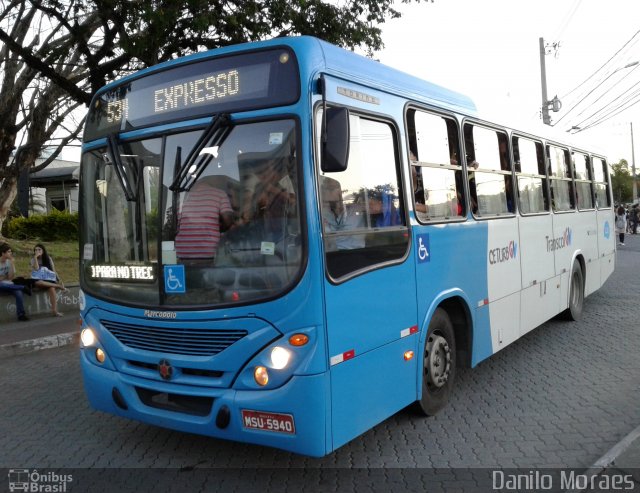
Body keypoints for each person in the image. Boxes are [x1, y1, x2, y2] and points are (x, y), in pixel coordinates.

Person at [175, 176, 234, 262]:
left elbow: (175, 224)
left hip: (182, 255)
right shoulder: (219, 193)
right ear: (214, 179)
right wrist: (219, 227)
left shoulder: (182, 196)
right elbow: (228, 220)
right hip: (209, 255)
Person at [320, 176, 364, 250]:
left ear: (339, 192)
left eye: (330, 189)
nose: (324, 192)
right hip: (332, 254)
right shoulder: (324, 211)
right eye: (323, 188)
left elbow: (342, 235)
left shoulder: (354, 210)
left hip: (355, 253)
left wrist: (328, 232)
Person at [30, 243, 66, 317]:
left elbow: (53, 270)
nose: (37, 251)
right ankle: (58, 286)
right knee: (39, 282)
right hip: (37, 280)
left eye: (39, 249)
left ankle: (54, 311)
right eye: (35, 250)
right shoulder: (33, 259)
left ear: (43, 251)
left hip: (48, 280)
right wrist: (36, 258)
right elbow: (36, 269)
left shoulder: (48, 258)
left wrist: (58, 279)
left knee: (52, 289)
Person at [0, 243, 29, 321]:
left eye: (10, 251)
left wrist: (12, 263)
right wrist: (3, 278)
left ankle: (21, 315)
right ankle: (22, 287)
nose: (11, 253)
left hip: (9, 284)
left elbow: (10, 277)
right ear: (3, 253)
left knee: (18, 293)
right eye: (9, 252)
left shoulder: (9, 262)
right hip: (1, 286)